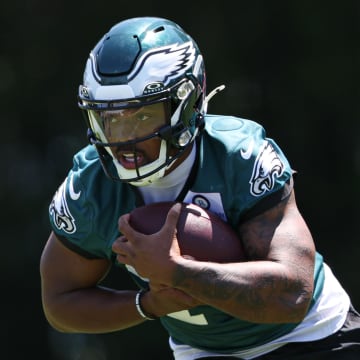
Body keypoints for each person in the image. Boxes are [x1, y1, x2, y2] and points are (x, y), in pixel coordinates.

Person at [40, 16, 360, 359]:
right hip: (202, 350)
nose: (123, 140)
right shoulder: (92, 185)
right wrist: (147, 304)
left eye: (142, 116)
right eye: (110, 119)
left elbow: (292, 295)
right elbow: (60, 302)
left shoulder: (239, 157)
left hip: (310, 336)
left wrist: (179, 273)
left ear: (186, 102)